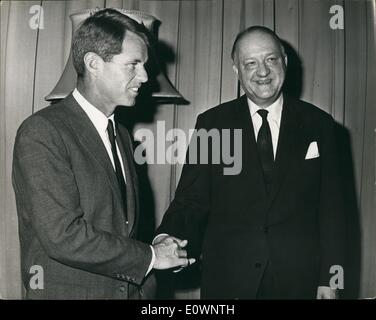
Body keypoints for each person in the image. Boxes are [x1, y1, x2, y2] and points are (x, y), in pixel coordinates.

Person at [12, 8, 194, 300]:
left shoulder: (121, 134)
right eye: (133, 64)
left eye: (144, 65)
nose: (145, 76)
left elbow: (121, 229)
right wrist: (151, 256)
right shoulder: (42, 131)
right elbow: (62, 236)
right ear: (93, 64)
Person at [155, 26, 346, 299]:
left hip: (300, 282)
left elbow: (333, 211)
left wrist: (331, 279)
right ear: (236, 69)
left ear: (285, 61)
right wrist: (167, 237)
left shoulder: (320, 125)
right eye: (251, 63)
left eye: (271, 59)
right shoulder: (212, 125)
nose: (263, 71)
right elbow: (190, 200)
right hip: (229, 282)